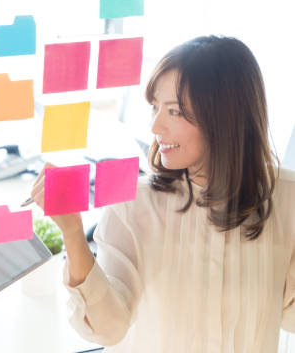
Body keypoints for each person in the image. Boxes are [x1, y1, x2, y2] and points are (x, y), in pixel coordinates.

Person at [30, 35, 295, 352]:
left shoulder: (285, 199)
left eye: (174, 112)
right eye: (155, 108)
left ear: (225, 116)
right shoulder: (134, 203)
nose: (156, 127)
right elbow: (107, 328)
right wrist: (72, 232)